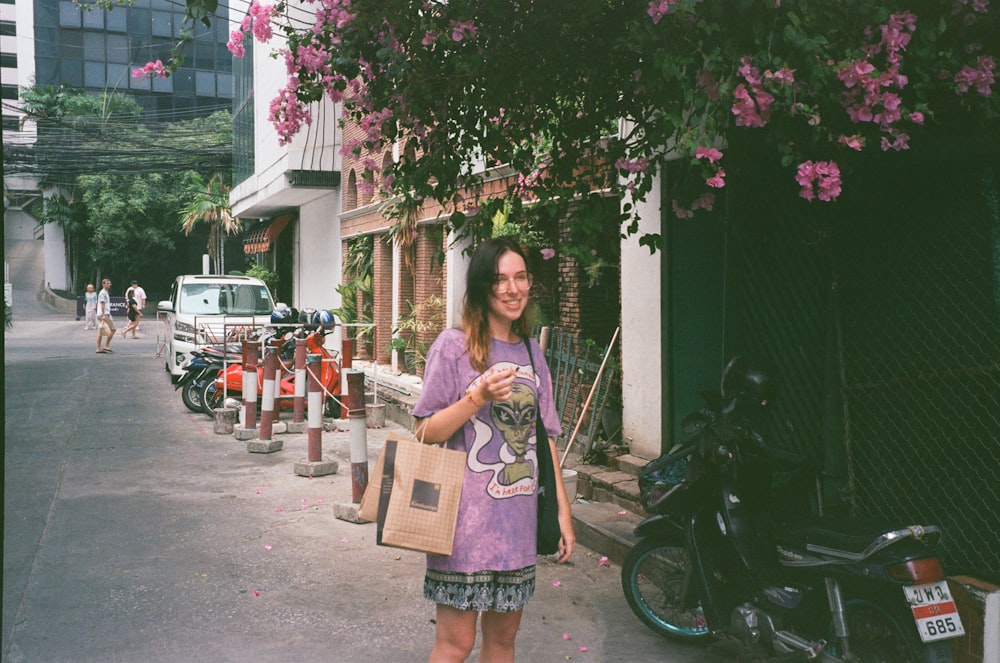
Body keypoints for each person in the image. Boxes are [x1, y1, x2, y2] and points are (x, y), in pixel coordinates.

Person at [412, 237, 575, 663]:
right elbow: (424, 431)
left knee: (503, 642)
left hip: (516, 526)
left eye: (520, 277)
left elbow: (546, 442)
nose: (512, 288)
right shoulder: (454, 346)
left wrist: (562, 514)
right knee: (455, 644)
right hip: (463, 526)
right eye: (501, 279)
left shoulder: (530, 353)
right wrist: (478, 396)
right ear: (483, 287)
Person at [95, 278, 116, 353]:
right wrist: (103, 315)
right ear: (103, 284)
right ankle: (106, 345)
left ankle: (98, 348)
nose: (109, 284)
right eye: (107, 283)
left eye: (109, 283)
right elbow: (102, 304)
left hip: (104, 313)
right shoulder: (103, 293)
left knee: (100, 331)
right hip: (104, 314)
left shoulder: (105, 292)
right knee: (113, 329)